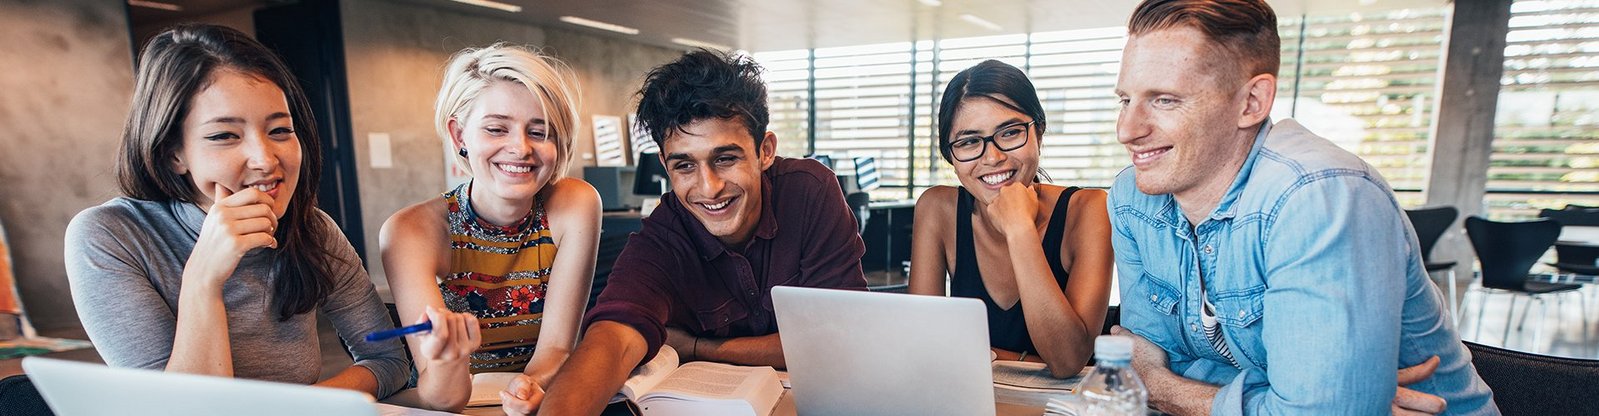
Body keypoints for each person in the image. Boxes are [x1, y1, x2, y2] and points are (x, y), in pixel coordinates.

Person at [1106, 0, 1497, 414]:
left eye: (1164, 100)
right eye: (1124, 100)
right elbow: (1139, 359)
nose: (1127, 130)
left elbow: (1149, 377)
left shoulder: (1320, 196)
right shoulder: (1134, 198)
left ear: (1252, 102)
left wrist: (1162, 386)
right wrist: (1304, 395)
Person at [63, 24, 408, 398]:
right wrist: (203, 279)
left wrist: (301, 409)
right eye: (225, 136)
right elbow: (178, 410)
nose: (264, 159)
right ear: (172, 152)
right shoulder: (109, 236)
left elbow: (387, 359)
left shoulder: (312, 228)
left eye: (279, 130)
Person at [537, 50, 869, 415]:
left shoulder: (810, 191)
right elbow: (613, 336)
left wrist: (697, 347)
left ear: (765, 151)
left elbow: (841, 339)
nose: (708, 188)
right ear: (665, 165)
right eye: (684, 165)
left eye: (725, 159)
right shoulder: (666, 233)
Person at [379, 44, 599, 414]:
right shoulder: (410, 231)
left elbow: (557, 350)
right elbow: (440, 397)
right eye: (497, 129)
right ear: (459, 136)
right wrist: (449, 360)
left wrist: (530, 385)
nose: (520, 148)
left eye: (540, 131)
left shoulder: (575, 205)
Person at [908, 60, 1113, 379]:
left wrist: (1019, 229)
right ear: (951, 156)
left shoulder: (1089, 209)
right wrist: (1023, 359)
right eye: (969, 141)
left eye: (1010, 132)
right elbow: (922, 345)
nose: (993, 157)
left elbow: (1068, 360)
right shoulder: (938, 209)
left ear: (1039, 134)